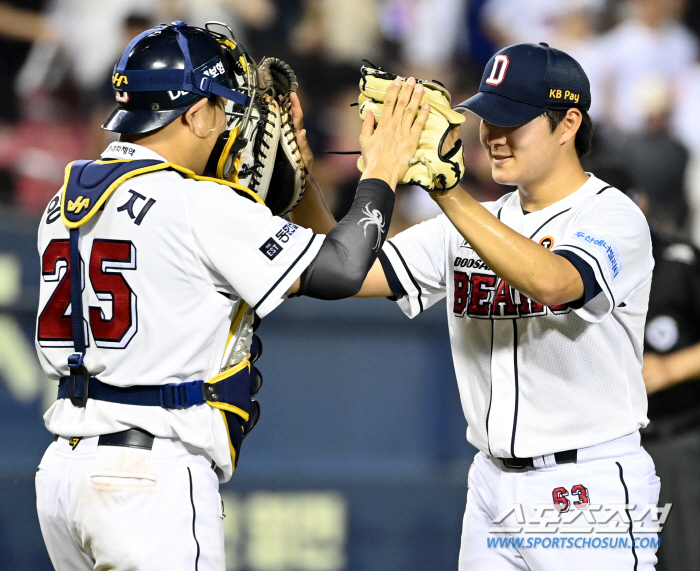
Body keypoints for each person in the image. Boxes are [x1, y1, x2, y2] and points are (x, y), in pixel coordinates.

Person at [34, 21, 429, 571]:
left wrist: (295, 190)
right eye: (222, 106)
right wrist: (383, 169)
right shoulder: (199, 204)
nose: (231, 122)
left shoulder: (66, 196)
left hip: (62, 471)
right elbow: (341, 271)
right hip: (149, 474)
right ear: (193, 113)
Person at [311, 42, 660, 569]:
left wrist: (447, 194)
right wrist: (297, 178)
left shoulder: (613, 216)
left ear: (568, 123)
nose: (492, 135)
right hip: (491, 486)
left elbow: (556, 282)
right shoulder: (475, 220)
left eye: (511, 120)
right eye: (486, 118)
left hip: (587, 485)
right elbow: (340, 270)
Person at [637, 194, 700, 571]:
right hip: (597, 452)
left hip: (675, 437)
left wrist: (671, 368)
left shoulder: (680, 263)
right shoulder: (562, 269)